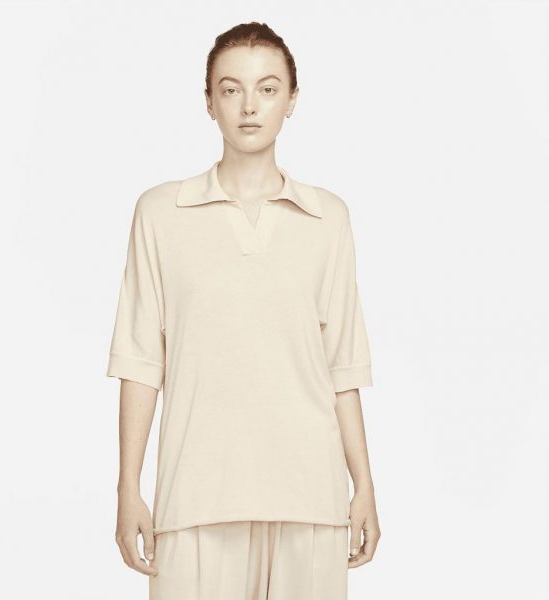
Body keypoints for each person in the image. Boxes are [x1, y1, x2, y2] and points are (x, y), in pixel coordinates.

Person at [107, 21, 381, 600]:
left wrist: (363, 485)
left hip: (310, 497)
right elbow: (140, 362)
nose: (249, 106)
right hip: (195, 495)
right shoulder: (161, 213)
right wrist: (128, 487)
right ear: (209, 102)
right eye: (231, 89)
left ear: (292, 100)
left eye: (268, 88)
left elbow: (342, 367)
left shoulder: (328, 218)